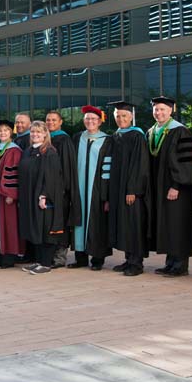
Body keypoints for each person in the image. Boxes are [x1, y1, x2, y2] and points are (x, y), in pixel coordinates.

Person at [147, 96, 192, 277]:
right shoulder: (152, 131)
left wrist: (176, 185)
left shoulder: (180, 131)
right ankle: (170, 262)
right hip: (159, 187)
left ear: (171, 111)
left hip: (177, 189)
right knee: (167, 224)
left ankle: (181, 265)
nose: (159, 113)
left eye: (162, 109)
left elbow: (188, 162)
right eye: (156, 109)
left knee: (178, 224)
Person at [106, 101, 150, 277]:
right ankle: (128, 259)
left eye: (124, 116)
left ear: (131, 117)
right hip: (118, 189)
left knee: (133, 225)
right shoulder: (116, 136)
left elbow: (140, 165)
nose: (120, 119)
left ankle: (136, 263)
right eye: (117, 116)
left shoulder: (137, 136)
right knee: (124, 225)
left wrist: (132, 190)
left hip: (131, 191)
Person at [17, 121, 65, 274]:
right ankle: (38, 261)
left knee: (45, 229)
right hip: (29, 195)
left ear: (45, 134)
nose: (35, 135)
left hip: (43, 197)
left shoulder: (49, 152)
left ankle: (46, 263)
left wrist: (43, 195)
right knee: (34, 229)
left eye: (38, 132)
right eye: (32, 132)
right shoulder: (28, 150)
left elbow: (51, 177)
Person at [70, 106, 113, 270]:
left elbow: (109, 169)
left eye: (94, 119)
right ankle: (80, 258)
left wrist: (106, 195)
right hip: (79, 189)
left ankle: (97, 259)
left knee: (97, 223)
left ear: (100, 121)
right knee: (78, 222)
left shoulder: (108, 140)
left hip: (97, 191)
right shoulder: (77, 138)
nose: (90, 122)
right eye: (87, 119)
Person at [46, 110, 81, 269]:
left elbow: (67, 166)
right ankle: (50, 255)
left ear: (61, 122)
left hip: (61, 191)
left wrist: (63, 188)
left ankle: (60, 257)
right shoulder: (45, 139)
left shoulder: (64, 139)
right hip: (48, 190)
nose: (51, 122)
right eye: (48, 120)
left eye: (54, 120)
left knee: (61, 222)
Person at [0, 119, 24, 269]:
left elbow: (14, 173)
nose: (2, 133)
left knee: (9, 225)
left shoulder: (14, 150)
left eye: (5, 130)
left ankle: (9, 258)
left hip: (7, 196)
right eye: (0, 131)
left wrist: (11, 193)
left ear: (11, 133)